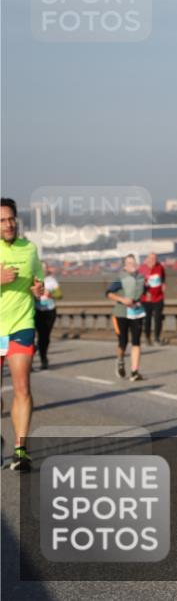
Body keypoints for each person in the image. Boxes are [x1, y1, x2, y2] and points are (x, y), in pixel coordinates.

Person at [1, 197, 45, 471]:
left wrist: (39, 290)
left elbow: (38, 281)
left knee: (22, 387)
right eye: (2, 220)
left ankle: (21, 450)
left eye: (11, 219)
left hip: (21, 324)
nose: (8, 224)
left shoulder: (29, 249)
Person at [105, 254, 148, 381]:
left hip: (136, 312)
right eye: (129, 263)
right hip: (121, 314)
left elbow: (143, 291)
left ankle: (135, 372)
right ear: (125, 266)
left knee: (136, 341)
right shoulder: (120, 278)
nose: (132, 265)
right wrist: (122, 300)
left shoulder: (140, 278)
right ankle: (120, 360)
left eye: (134, 262)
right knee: (123, 342)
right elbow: (108, 293)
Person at [34, 262, 63, 370]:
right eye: (41, 268)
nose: (43, 270)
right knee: (31, 336)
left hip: (49, 311)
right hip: (35, 310)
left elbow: (60, 295)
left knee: (44, 336)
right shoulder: (32, 279)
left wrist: (50, 294)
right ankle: (29, 359)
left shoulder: (51, 280)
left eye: (45, 268)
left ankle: (43, 358)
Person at [139, 252, 166, 346]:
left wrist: (163, 285)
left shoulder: (160, 267)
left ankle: (157, 338)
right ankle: (147, 338)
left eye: (154, 259)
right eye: (151, 259)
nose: (153, 261)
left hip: (158, 297)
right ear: (146, 259)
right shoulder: (142, 269)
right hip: (146, 299)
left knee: (158, 318)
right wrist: (145, 292)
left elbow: (163, 278)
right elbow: (138, 284)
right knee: (147, 319)